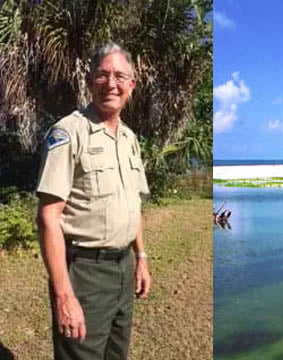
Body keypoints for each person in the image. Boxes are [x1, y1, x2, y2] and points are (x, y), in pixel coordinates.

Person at [36, 42, 151, 359]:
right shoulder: (68, 133)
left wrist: (140, 257)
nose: (110, 84)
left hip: (123, 268)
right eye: (101, 75)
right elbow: (48, 217)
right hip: (85, 271)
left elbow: (135, 204)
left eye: (119, 76)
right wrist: (64, 295)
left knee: (117, 353)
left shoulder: (129, 139)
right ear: (88, 82)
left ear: (131, 84)